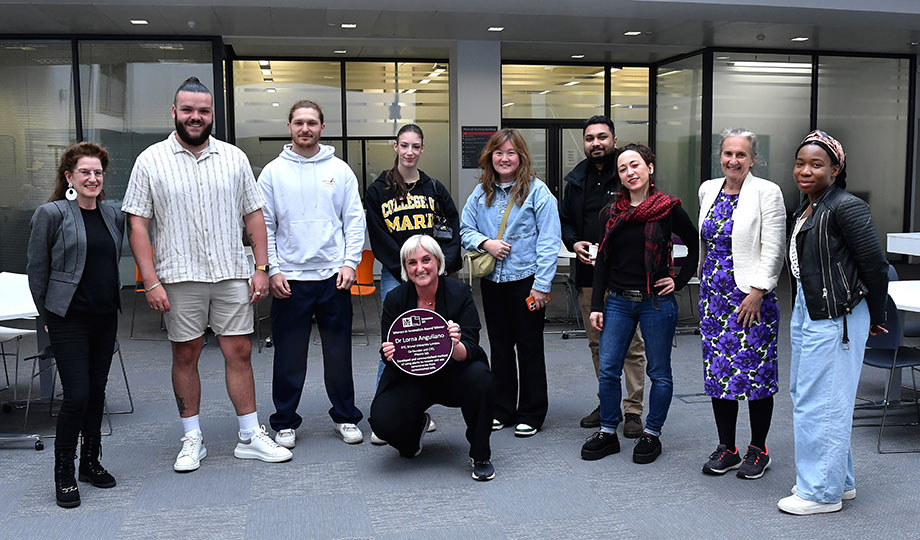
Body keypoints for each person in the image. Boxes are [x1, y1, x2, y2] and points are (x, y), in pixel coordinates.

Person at [123, 76, 291, 472]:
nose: (195, 117)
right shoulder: (150, 161)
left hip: (231, 273)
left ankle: (249, 435)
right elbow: (138, 225)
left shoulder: (233, 158)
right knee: (186, 354)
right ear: (174, 112)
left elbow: (254, 216)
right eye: (188, 110)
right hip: (179, 276)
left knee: (240, 352)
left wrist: (262, 268)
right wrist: (150, 280)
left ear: (212, 114)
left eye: (203, 111)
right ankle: (192, 438)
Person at [778, 130, 888, 515]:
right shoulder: (807, 208)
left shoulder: (846, 206)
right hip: (810, 309)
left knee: (821, 402)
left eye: (816, 164)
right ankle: (839, 481)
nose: (805, 171)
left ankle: (821, 493)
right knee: (809, 395)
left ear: (835, 169)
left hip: (838, 314)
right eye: (800, 163)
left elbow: (875, 265)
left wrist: (877, 314)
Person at [258, 99, 366, 448]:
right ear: (289, 127)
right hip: (289, 279)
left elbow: (354, 220)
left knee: (339, 355)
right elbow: (265, 226)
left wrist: (350, 263)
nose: (305, 128)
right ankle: (284, 422)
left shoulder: (341, 170)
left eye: (312, 123)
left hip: (334, 278)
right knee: (289, 356)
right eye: (299, 122)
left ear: (322, 127)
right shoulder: (273, 172)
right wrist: (273, 269)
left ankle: (345, 417)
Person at [581, 143, 698, 464]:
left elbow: (694, 242)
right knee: (608, 370)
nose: (630, 172)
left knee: (659, 372)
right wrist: (597, 305)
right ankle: (607, 431)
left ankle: (652, 434)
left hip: (656, 302)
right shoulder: (611, 212)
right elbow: (603, 261)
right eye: (623, 169)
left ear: (650, 168)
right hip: (618, 301)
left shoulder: (668, 208)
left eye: (635, 165)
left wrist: (679, 280)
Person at [27, 142, 124, 508]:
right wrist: (46, 316)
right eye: (85, 172)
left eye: (98, 172)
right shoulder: (51, 214)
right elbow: (37, 269)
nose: (93, 178)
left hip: (104, 317)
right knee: (77, 395)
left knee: (97, 393)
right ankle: (64, 472)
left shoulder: (111, 214)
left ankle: (90, 463)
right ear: (69, 176)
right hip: (67, 319)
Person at [369, 234, 496, 481]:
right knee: (382, 421)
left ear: (438, 261)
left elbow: (471, 348)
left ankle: (481, 454)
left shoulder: (459, 293)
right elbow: (388, 350)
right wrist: (389, 354)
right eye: (412, 262)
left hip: (454, 373)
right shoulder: (395, 299)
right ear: (405, 268)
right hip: (412, 377)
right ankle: (415, 430)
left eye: (426, 260)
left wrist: (454, 344)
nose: (420, 268)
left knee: (481, 379)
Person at [460, 128, 561, 438]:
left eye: (511, 153)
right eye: (499, 153)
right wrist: (486, 243)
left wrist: (542, 285)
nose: (504, 158)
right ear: (490, 156)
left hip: (526, 281)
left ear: (521, 157)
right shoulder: (481, 193)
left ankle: (532, 412)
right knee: (500, 348)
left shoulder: (538, 192)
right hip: (493, 281)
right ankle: (503, 409)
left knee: (530, 348)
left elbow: (549, 241)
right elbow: (464, 229)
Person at [697, 128, 786, 479]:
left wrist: (758, 291)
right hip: (713, 300)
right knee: (720, 375)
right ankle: (728, 448)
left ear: (753, 159)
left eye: (741, 155)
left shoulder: (767, 191)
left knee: (755, 374)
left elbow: (774, 247)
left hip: (751, 300)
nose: (733, 161)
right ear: (720, 156)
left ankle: (758, 449)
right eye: (728, 154)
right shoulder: (708, 189)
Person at [364, 123, 461, 443]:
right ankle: (384, 412)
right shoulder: (378, 190)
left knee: (428, 340)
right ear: (395, 147)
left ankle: (416, 408)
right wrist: (405, 272)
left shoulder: (434, 188)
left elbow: (451, 228)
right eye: (404, 145)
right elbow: (379, 236)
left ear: (422, 149)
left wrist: (442, 266)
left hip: (432, 277)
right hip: (397, 276)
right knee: (394, 342)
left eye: (415, 146)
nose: (409, 152)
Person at [561, 115, 647, 436]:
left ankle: (633, 409)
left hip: (626, 276)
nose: (596, 143)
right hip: (589, 275)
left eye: (602, 137)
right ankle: (608, 403)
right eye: (590, 138)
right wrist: (574, 242)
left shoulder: (628, 173)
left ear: (614, 139)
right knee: (597, 344)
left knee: (631, 345)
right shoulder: (576, 180)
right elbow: (566, 221)